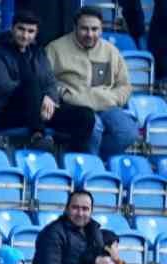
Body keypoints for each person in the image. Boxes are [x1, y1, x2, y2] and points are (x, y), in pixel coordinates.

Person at [0, 10, 98, 154]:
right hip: (8, 111)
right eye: (21, 29)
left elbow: (50, 82)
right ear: (12, 28)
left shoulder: (38, 52)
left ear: (36, 33)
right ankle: (37, 138)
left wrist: (49, 97)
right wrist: (39, 98)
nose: (25, 35)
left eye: (30, 31)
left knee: (85, 115)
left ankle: (68, 155)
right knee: (31, 82)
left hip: (40, 111)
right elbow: (2, 86)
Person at [47, 7, 135, 158]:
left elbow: (125, 86)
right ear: (75, 27)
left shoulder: (111, 51)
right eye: (84, 29)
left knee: (128, 131)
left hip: (106, 105)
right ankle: (91, 171)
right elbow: (45, 81)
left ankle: (96, 161)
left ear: (101, 29)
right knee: (95, 126)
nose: (89, 34)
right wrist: (63, 92)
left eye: (95, 29)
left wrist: (112, 98)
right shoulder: (55, 48)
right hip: (74, 106)